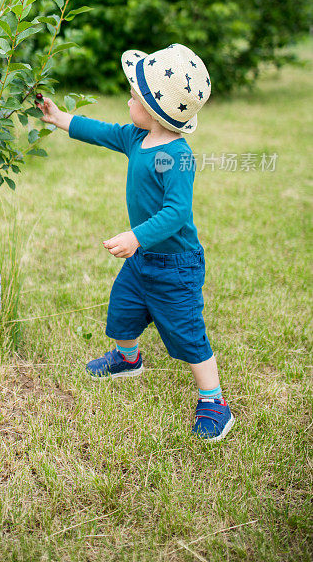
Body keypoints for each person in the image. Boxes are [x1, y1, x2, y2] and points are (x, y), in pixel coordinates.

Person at [35, 43, 235, 442]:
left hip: (176, 266)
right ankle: (128, 359)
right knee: (123, 309)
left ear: (157, 111)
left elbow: (177, 213)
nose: (128, 99)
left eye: (135, 96)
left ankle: (214, 402)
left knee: (187, 331)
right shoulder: (136, 138)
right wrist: (59, 118)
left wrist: (135, 236)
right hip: (143, 261)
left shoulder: (176, 157)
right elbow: (100, 132)